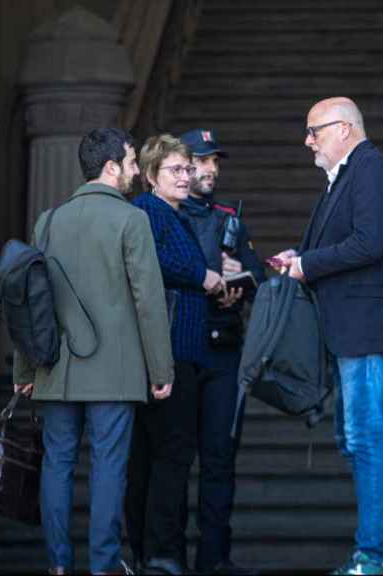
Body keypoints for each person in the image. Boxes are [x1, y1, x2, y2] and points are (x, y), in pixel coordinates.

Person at [12, 127, 175, 575]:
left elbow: (31, 300)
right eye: (129, 162)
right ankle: (104, 566)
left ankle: (58, 566)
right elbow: (148, 300)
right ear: (110, 168)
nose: (135, 171)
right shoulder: (131, 220)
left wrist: (23, 368)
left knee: (58, 466)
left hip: (56, 369)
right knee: (109, 469)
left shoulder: (49, 219)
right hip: (115, 372)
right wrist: (162, 367)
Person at [269, 97, 383, 576]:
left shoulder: (371, 169)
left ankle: (377, 556)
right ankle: (373, 551)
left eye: (315, 131)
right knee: (354, 439)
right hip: (351, 331)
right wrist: (300, 256)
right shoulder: (346, 176)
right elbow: (348, 242)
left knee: (366, 438)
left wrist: (308, 265)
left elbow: (369, 243)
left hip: (367, 330)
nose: (307, 140)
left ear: (346, 129)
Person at [126, 134, 229, 575]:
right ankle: (160, 554)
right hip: (168, 353)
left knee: (160, 457)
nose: (187, 176)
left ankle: (157, 552)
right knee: (168, 457)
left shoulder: (173, 213)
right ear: (151, 176)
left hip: (181, 350)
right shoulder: (150, 211)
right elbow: (149, 261)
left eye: (189, 169)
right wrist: (203, 275)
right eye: (176, 170)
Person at [177, 128, 266, 575]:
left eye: (215, 161)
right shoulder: (166, 215)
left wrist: (239, 281)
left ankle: (213, 559)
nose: (211, 169)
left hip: (226, 351)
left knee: (219, 460)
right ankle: (166, 558)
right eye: (201, 160)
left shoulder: (231, 217)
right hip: (181, 351)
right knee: (173, 461)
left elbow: (259, 280)